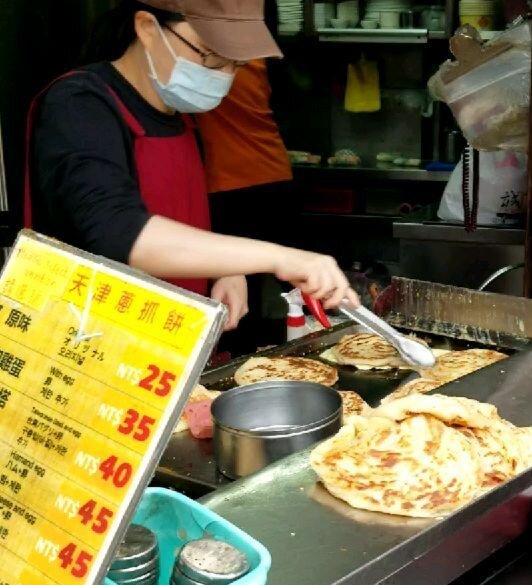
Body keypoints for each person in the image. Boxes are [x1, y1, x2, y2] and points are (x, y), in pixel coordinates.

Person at [26, 0, 357, 335]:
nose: (225, 75)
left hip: (168, 342)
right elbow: (119, 231)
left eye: (236, 62)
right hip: (88, 345)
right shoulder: (80, 105)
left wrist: (226, 269)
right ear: (148, 29)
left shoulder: (183, 117)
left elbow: (183, 215)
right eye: (211, 54)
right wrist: (281, 257)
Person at [195, 0, 297, 352]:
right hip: (273, 174)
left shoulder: (213, 61)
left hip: (231, 183)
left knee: (237, 300)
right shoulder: (256, 57)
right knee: (272, 293)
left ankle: (237, 364)